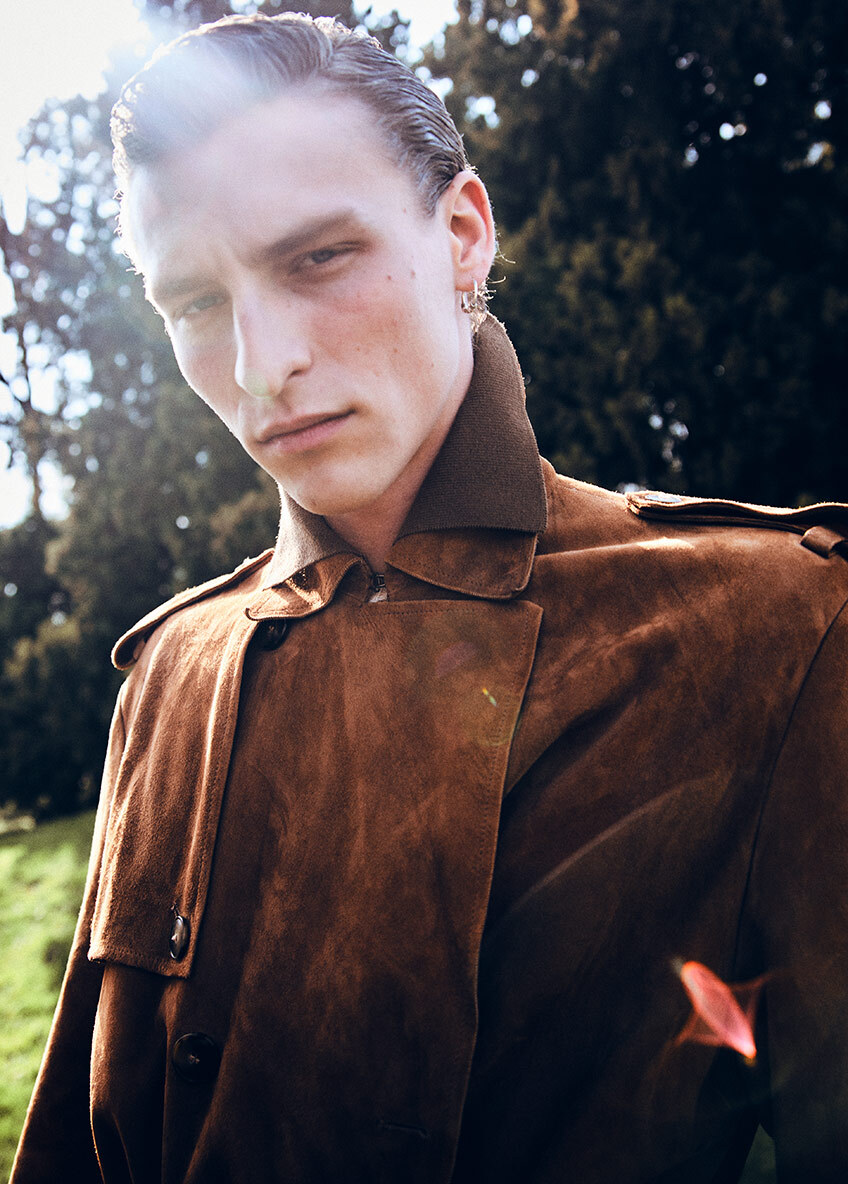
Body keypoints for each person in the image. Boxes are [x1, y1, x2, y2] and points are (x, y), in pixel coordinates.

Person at [11, 12, 848, 1183]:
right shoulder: (168, 671)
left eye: (317, 257)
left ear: (462, 233)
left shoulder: (778, 631)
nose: (258, 365)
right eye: (194, 303)